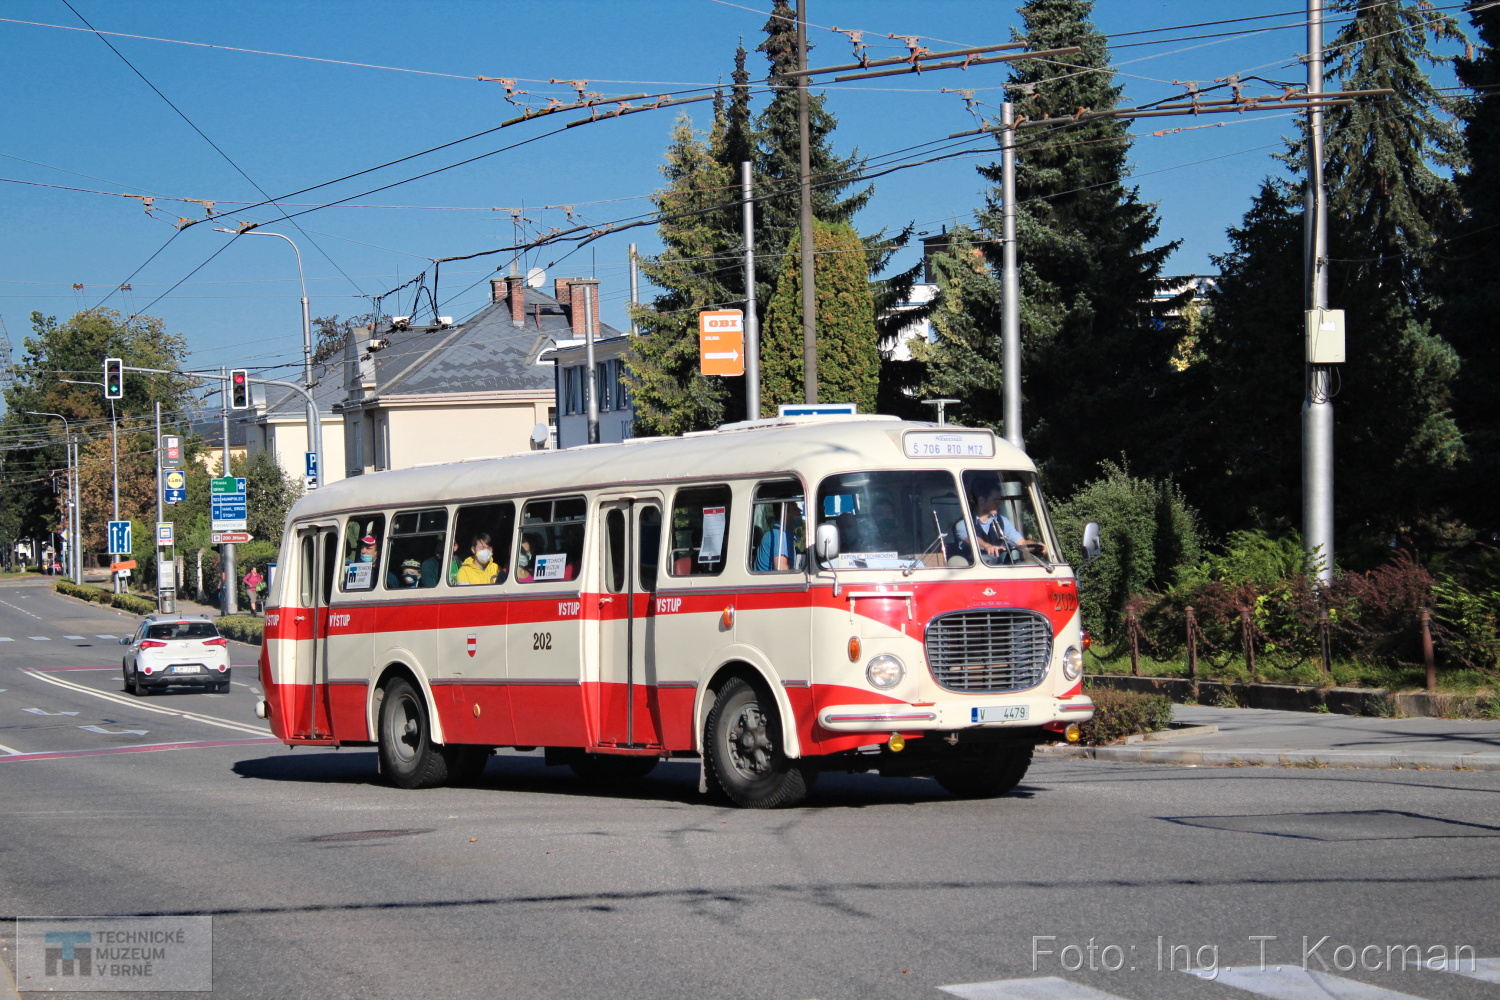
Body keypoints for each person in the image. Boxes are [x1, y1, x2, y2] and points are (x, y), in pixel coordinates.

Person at [955, 485, 1045, 564]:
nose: (1000, 504)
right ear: (981, 500)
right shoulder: (963, 524)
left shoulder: (1002, 521)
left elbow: (1021, 543)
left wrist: (1037, 546)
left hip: (999, 570)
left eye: (1000, 500)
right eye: (995, 500)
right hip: (973, 572)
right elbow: (973, 540)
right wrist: (987, 546)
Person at [756, 504, 803, 571]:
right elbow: (781, 569)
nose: (800, 510)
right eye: (795, 508)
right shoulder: (780, 534)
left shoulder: (783, 532)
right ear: (785, 513)